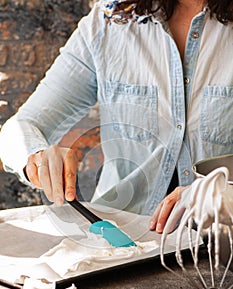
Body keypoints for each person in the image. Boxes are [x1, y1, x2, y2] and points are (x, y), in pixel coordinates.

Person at [0, 0, 233, 234]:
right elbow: (21, 126)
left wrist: (214, 193)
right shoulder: (107, 23)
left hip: (220, 246)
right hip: (118, 244)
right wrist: (36, 157)